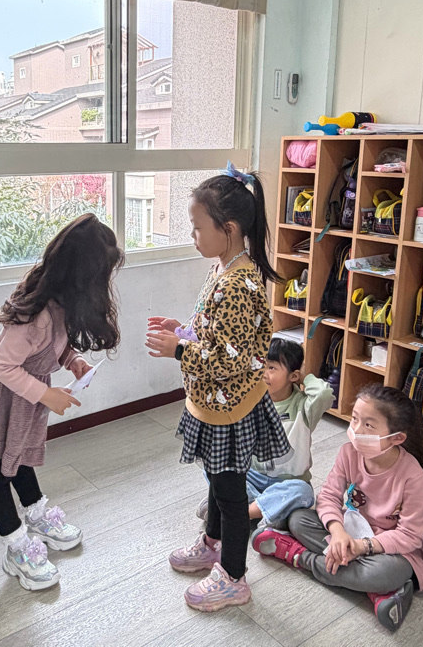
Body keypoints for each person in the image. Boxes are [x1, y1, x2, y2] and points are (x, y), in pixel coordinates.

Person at [0, 214, 122, 591]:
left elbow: (54, 345)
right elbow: (2, 365)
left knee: (20, 456)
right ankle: (16, 548)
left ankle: (37, 516)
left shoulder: (62, 301)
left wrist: (73, 361)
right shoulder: (36, 312)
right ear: (81, 275)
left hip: (22, 395)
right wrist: (47, 394)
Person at [146, 163, 290, 612]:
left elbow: (230, 360)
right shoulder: (224, 268)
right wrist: (184, 330)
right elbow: (218, 334)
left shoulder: (238, 284)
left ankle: (233, 577)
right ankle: (212, 543)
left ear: (228, 229)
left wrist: (178, 350)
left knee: (230, 496)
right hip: (214, 403)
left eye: (197, 227)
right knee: (216, 477)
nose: (193, 235)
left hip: (230, 407)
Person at [252, 384, 423, 632]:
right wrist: (338, 532)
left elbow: (410, 536)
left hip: (388, 548)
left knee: (387, 572)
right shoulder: (349, 452)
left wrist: (361, 547)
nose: (357, 430)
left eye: (369, 425)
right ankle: (376, 590)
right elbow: (329, 496)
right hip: (352, 529)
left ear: (397, 438)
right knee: (298, 519)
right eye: (355, 419)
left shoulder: (412, 477)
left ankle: (298, 556)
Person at [194, 338, 332, 529]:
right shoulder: (249, 400)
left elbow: (324, 394)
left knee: (303, 492)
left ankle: (240, 512)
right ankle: (267, 509)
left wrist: (304, 377)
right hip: (252, 477)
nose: (263, 373)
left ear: (293, 376)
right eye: (260, 366)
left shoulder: (304, 407)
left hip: (288, 482)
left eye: (272, 368)